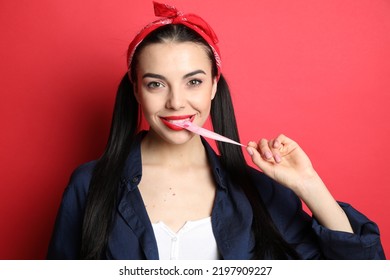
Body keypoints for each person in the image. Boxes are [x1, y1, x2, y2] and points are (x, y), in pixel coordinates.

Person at [47, 2, 385, 260]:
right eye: (156, 84)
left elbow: (360, 272)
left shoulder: (258, 191)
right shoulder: (89, 185)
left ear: (213, 86)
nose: (176, 102)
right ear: (136, 90)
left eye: (193, 81)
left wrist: (309, 185)